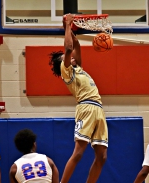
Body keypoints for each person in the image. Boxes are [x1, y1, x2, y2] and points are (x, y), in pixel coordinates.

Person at [48, 13, 108, 183]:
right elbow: (67, 49)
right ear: (63, 64)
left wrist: (68, 27)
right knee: (79, 152)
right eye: (67, 58)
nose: (72, 56)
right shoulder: (67, 72)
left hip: (98, 109)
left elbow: (76, 45)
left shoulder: (79, 68)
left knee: (102, 156)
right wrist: (67, 25)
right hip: (86, 108)